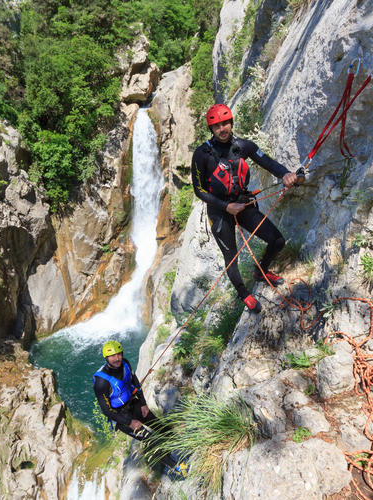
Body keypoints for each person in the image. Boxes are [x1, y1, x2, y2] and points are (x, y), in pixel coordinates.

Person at [191, 103, 304, 313]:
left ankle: (260, 272)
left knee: (277, 240)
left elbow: (268, 163)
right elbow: (199, 190)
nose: (222, 129)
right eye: (217, 126)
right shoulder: (202, 154)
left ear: (231, 123)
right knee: (231, 258)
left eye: (225, 123)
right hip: (219, 210)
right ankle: (244, 294)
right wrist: (226, 206)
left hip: (243, 204)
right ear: (211, 130)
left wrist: (286, 174)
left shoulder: (244, 146)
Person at [93, 340, 187, 474]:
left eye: (119, 354)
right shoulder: (101, 382)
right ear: (106, 358)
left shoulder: (125, 363)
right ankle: (177, 467)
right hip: (121, 417)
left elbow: (134, 382)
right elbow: (106, 410)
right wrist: (130, 422)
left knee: (160, 426)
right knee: (150, 440)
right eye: (113, 356)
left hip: (134, 404)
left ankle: (176, 446)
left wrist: (143, 403)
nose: (117, 358)